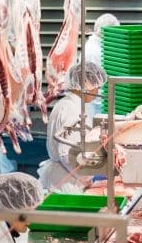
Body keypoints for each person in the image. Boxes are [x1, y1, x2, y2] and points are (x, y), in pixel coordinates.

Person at [38, 60, 108, 193]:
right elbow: (67, 153)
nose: (98, 90)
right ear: (86, 84)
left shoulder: (72, 104)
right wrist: (86, 176)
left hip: (69, 177)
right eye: (96, 86)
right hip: (66, 183)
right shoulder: (72, 109)